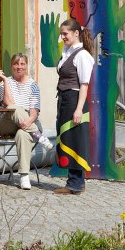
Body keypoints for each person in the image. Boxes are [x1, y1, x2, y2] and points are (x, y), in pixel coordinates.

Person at [0, 53, 52, 190]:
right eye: (16, 64)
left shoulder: (33, 85)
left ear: (27, 66)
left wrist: (28, 122)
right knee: (13, 107)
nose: (19, 67)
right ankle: (40, 137)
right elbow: (8, 103)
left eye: (22, 64)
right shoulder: (6, 82)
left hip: (27, 122)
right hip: (7, 123)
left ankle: (24, 176)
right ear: (11, 66)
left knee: (22, 134)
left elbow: (34, 111)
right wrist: (4, 79)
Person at [54, 19, 95, 195]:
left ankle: (76, 184)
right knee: (68, 138)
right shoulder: (67, 52)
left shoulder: (82, 55)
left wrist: (79, 109)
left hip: (74, 99)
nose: (62, 37)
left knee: (76, 139)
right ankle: (72, 182)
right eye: (61, 33)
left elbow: (84, 84)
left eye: (65, 34)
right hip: (65, 99)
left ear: (76, 33)